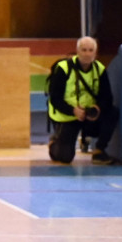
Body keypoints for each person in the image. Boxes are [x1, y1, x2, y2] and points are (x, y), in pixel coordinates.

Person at [48, 36, 117, 165]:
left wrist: (97, 109)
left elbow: (107, 97)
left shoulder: (100, 69)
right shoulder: (64, 68)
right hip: (69, 116)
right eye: (84, 50)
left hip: (90, 116)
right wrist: (73, 110)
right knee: (64, 157)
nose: (87, 54)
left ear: (95, 53)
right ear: (77, 51)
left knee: (113, 112)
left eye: (90, 50)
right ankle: (54, 142)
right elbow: (55, 98)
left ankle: (99, 150)